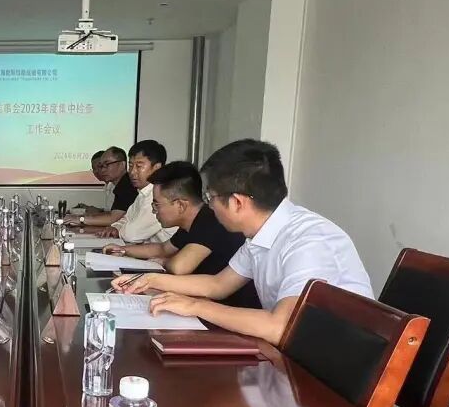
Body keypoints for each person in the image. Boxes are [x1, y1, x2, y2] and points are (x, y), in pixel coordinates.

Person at [112, 139, 372, 345]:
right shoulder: (260, 235)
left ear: (237, 202)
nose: (209, 206)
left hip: (333, 372)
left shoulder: (309, 240)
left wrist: (194, 306)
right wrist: (150, 280)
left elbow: (279, 326)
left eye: (210, 197)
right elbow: (218, 285)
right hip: (296, 354)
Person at [103, 161, 261, 308]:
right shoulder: (191, 222)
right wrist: (122, 250)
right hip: (206, 299)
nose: (153, 210)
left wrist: (163, 263)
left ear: (180, 205)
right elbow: (163, 249)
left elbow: (179, 267)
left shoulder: (210, 220)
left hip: (229, 307)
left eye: (156, 204)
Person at [112, 140, 169, 243]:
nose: (132, 172)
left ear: (157, 168)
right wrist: (115, 227)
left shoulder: (160, 194)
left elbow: (131, 235)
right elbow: (126, 218)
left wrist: (118, 230)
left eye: (139, 166)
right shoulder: (143, 192)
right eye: (130, 166)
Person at [66, 145, 137, 226]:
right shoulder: (120, 184)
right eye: (101, 166)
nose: (102, 170)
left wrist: (80, 219)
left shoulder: (127, 185)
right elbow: (112, 214)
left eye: (107, 164)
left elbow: (113, 219)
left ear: (122, 164)